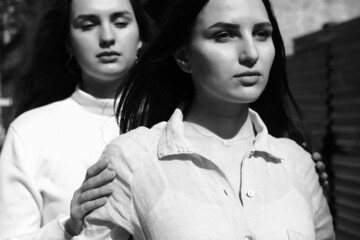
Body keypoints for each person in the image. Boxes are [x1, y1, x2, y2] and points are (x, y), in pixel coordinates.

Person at [74, 0, 335, 239]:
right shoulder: (133, 160)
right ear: (183, 55)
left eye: (261, 34)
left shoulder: (297, 163)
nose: (251, 53)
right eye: (224, 35)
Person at [0, 0, 153, 239]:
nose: (107, 36)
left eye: (120, 22)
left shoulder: (178, 121)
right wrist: (68, 227)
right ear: (68, 43)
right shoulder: (30, 132)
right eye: (88, 25)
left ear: (141, 36)